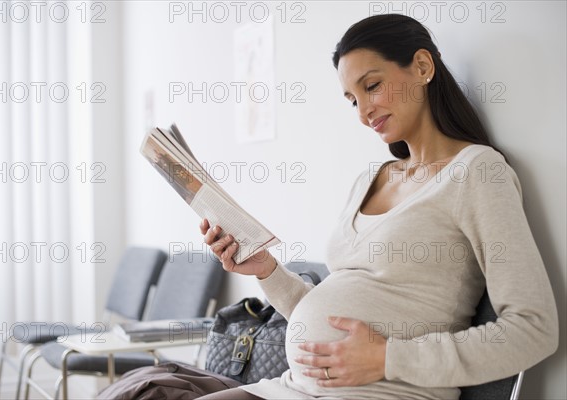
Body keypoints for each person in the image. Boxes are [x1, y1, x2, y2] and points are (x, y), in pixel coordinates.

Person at [197, 13, 559, 400]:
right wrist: (266, 270)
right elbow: (332, 314)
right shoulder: (370, 180)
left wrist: (389, 357)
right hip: (294, 387)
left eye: (372, 86)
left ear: (422, 66)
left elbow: (533, 329)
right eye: (353, 99)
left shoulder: (476, 173)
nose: (363, 111)